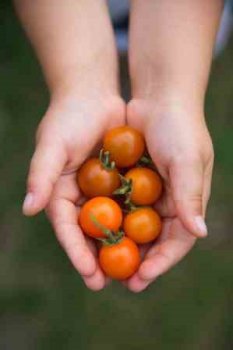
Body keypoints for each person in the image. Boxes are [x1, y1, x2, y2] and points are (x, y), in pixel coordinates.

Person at [15, 0, 223, 292]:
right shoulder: (118, 182)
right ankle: (119, 69)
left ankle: (128, 68)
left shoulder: (118, 182)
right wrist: (80, 87)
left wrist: (170, 93)